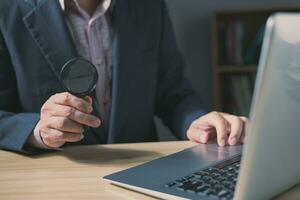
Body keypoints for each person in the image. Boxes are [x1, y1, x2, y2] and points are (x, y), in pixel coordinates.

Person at [0, 0, 247, 154]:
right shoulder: (7, 9)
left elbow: (173, 93)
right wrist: (36, 130)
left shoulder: (149, 6)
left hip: (139, 173)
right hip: (53, 176)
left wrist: (195, 121)